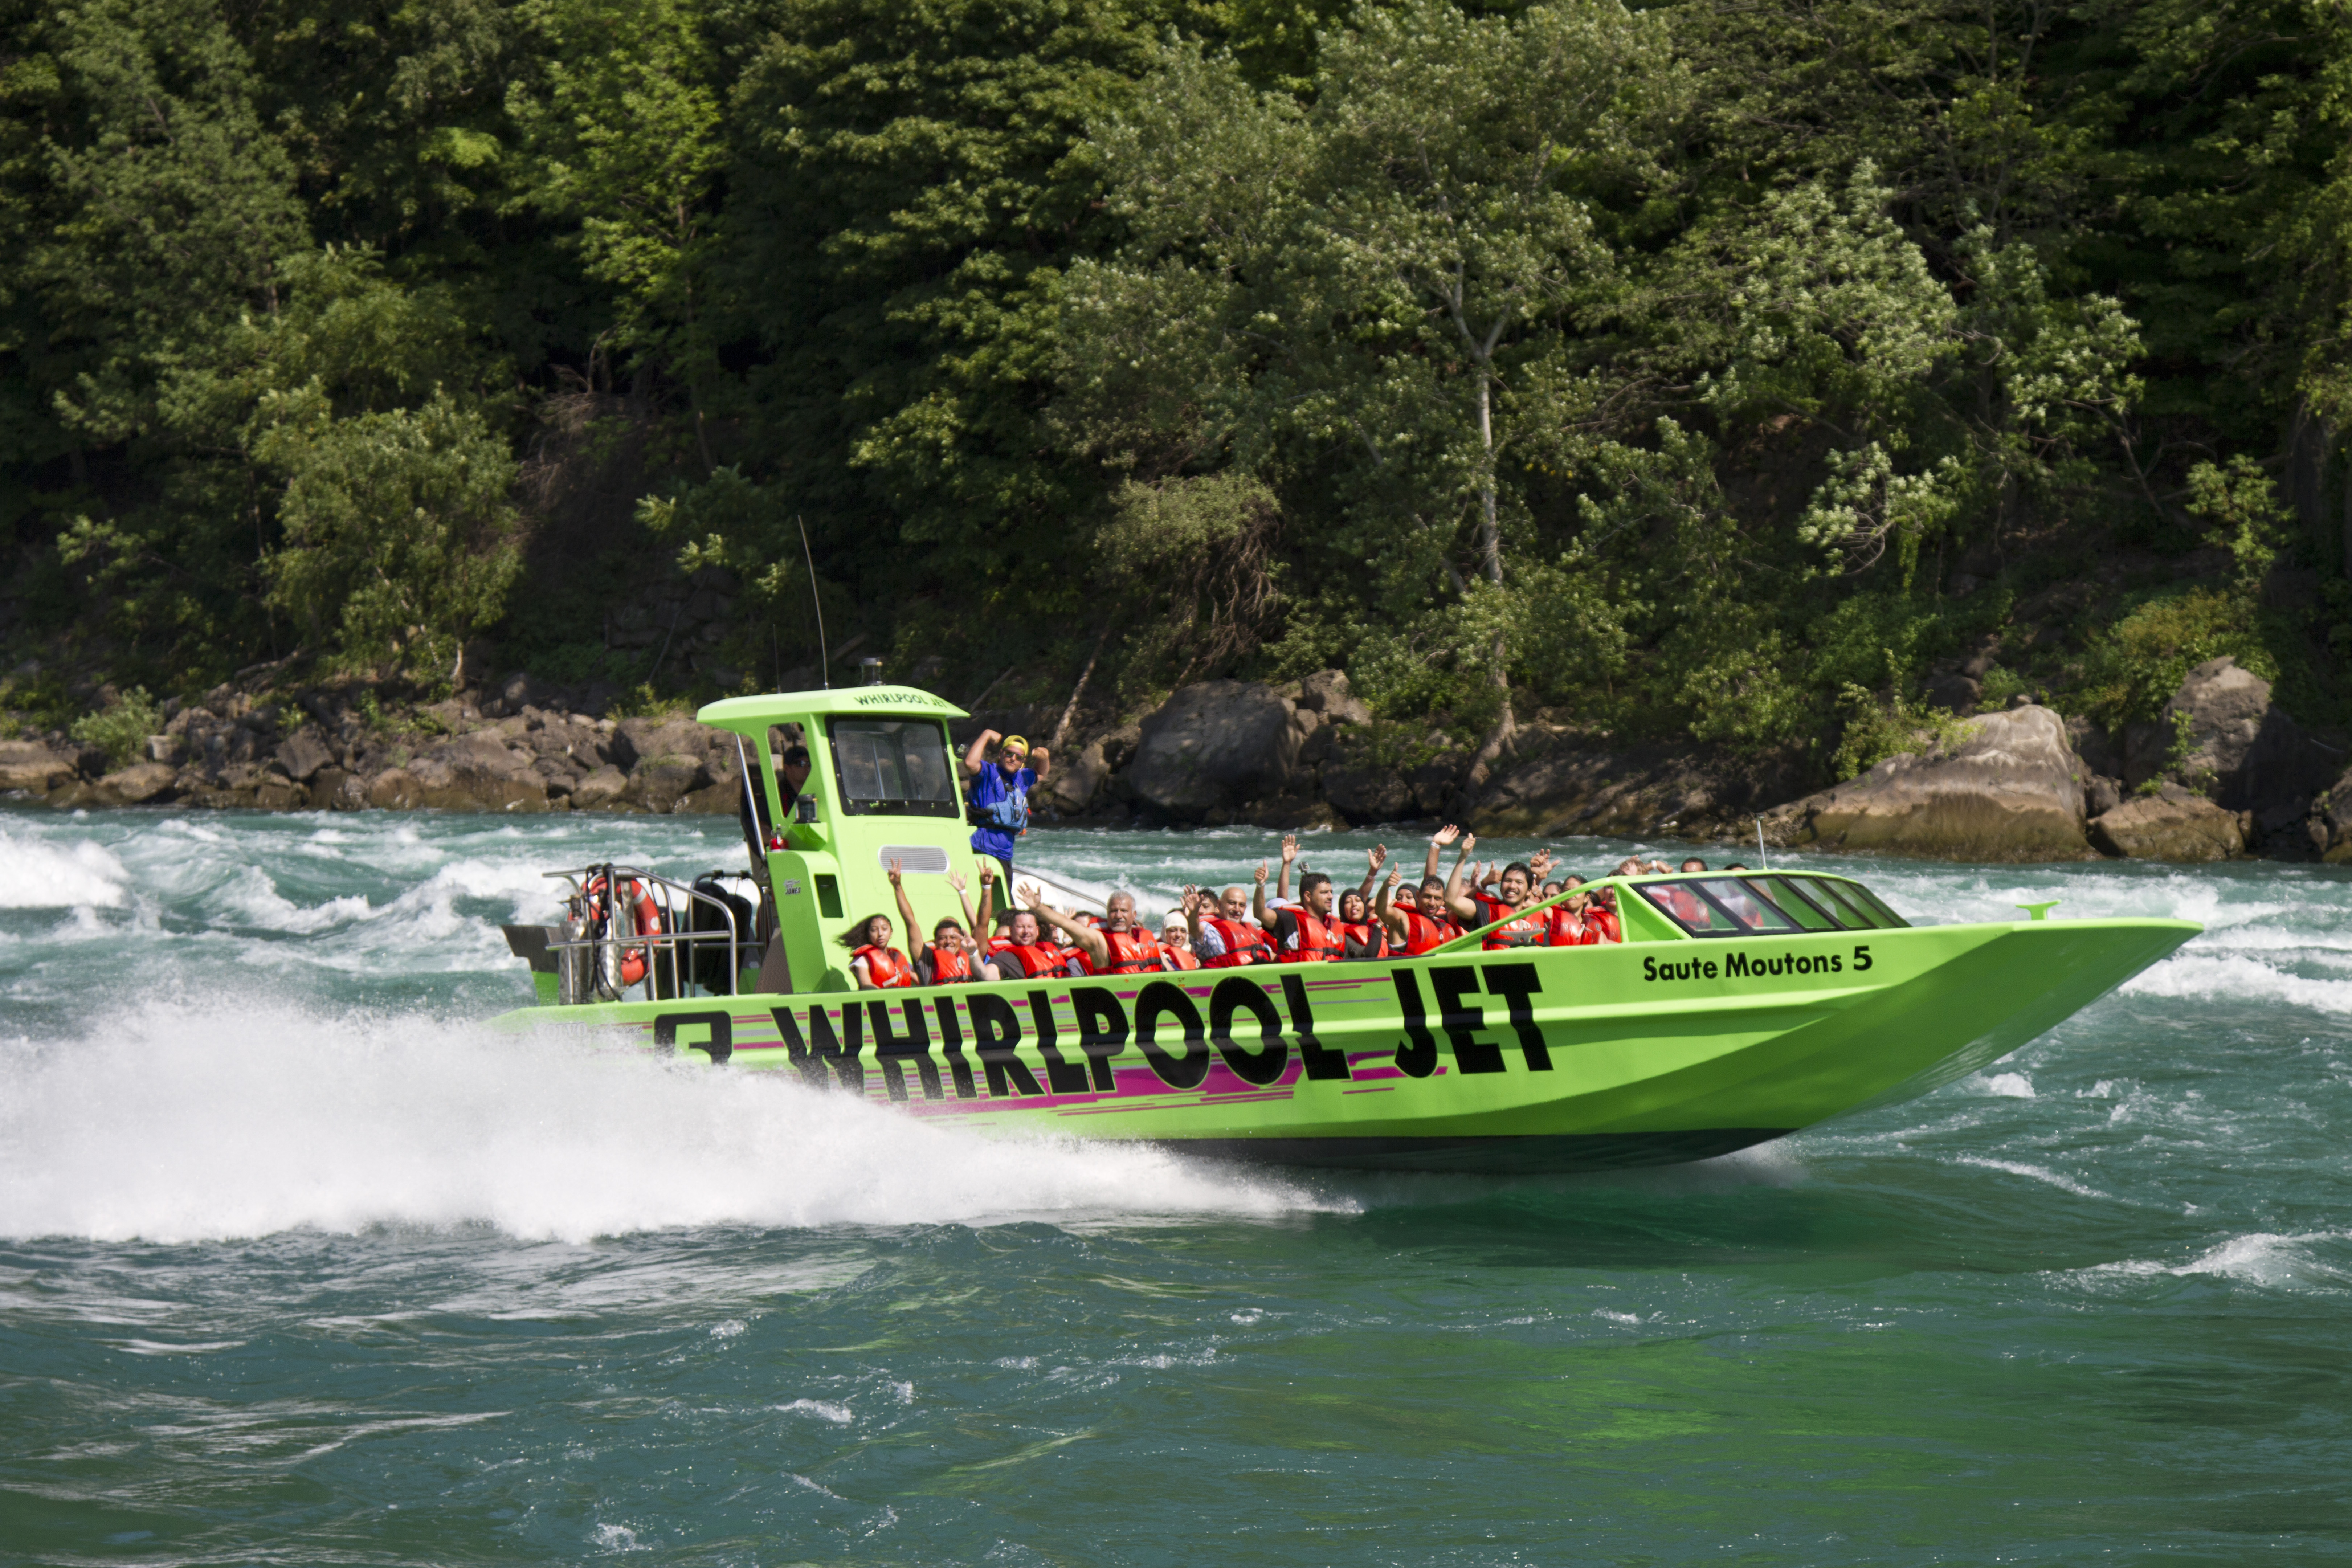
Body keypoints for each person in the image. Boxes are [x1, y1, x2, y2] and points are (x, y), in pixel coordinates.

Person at [961, 730, 1050, 880]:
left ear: (1023, 762)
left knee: (1007, 903)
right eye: (1009, 754)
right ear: (1001, 754)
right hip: (982, 849)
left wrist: (1045, 757)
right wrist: (986, 735)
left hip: (1005, 854)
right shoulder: (988, 773)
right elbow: (970, 763)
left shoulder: (1022, 779)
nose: (1013, 758)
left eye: (1019, 757)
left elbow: (1041, 773)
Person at [1024, 884, 1165, 976]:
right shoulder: (1099, 941)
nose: (1118, 916)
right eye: (1113, 911)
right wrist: (1038, 907)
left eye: (1124, 911)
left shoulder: (1147, 938)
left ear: (1134, 915)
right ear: (1108, 914)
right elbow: (1067, 924)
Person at [1442, 837, 1555, 949]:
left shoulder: (1541, 916)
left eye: (1519, 882)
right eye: (1508, 881)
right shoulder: (1487, 911)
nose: (1512, 886)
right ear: (1501, 888)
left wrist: (1535, 876)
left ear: (1529, 891)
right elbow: (1451, 900)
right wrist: (1463, 857)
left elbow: (1551, 916)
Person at [892, 862, 995, 985]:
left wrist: (986, 886)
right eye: (942, 938)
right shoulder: (927, 962)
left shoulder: (973, 957)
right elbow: (910, 921)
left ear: (962, 940)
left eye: (953, 937)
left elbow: (983, 924)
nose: (948, 942)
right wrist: (897, 886)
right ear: (935, 942)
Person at [1255, 866, 1345, 963]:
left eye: (1331, 892)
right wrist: (1261, 885)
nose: (1331, 896)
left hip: (1333, 976)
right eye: (1324, 893)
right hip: (1301, 976)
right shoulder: (1290, 919)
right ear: (1308, 896)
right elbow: (1260, 913)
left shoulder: (1334, 924)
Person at [739, 742, 813, 853]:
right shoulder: (776, 796)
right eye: (801, 764)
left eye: (809, 764)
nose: (806, 768)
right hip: (788, 852)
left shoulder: (814, 792)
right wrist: (781, 840)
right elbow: (762, 829)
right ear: (787, 768)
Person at [1187, 880, 1276, 967]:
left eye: (1241, 905)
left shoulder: (1251, 929)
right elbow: (1195, 929)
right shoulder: (1210, 928)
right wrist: (1194, 912)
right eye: (1232, 903)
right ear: (1219, 904)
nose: (1237, 909)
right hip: (1228, 980)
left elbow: (1270, 955)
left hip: (1259, 977)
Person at [1377, 867, 1464, 955]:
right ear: (1418, 896)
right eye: (1427, 897)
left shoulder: (1442, 925)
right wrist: (1385, 887)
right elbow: (1382, 911)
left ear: (1443, 902)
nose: (1432, 903)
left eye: (1437, 898)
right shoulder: (1403, 918)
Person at [841, 906, 915, 989]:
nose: (880, 934)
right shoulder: (862, 959)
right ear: (868, 936)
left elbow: (918, 979)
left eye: (885, 929)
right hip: (878, 1000)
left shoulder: (898, 956)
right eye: (874, 930)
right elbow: (866, 984)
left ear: (891, 932)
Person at [1335, 887, 1388, 960]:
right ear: (1342, 910)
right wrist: (1379, 925)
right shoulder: (1344, 935)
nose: (1354, 904)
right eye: (1348, 902)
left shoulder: (1373, 926)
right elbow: (1368, 956)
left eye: (1358, 900)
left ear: (1364, 905)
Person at [1160, 905, 1202, 970]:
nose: (1179, 935)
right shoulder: (1158, 954)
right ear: (1165, 932)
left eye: (1183, 931)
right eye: (1173, 931)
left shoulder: (1196, 952)